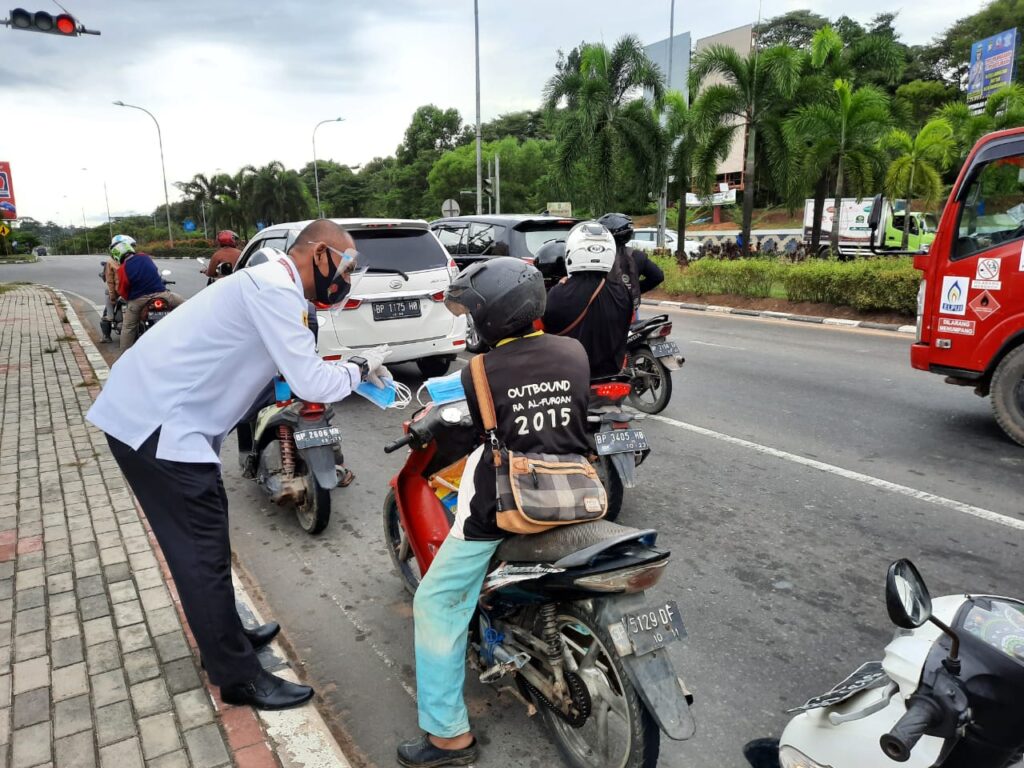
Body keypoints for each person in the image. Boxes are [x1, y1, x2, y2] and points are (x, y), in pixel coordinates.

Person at [87, 219, 393, 710]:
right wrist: (360, 368)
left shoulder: (271, 284)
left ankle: (225, 633)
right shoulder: (274, 290)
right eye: (348, 265)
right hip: (157, 429)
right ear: (318, 255)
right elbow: (312, 381)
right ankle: (236, 675)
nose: (349, 277)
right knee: (200, 553)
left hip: (165, 422)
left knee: (208, 539)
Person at [398, 257, 591, 768]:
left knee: (435, 604)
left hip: (506, 508)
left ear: (492, 316)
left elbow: (465, 430)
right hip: (580, 494)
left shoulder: (479, 372)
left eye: (473, 313)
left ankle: (447, 739)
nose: (468, 322)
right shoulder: (573, 351)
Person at [542, 221, 634, 378]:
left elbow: (545, 329)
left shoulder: (558, 293)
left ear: (572, 251)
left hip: (570, 376)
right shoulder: (623, 292)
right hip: (611, 373)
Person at [112, 235, 183, 351]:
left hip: (139, 301)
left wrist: (129, 297)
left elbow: (123, 291)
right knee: (186, 304)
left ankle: (124, 358)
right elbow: (155, 271)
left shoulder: (122, 269)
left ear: (117, 256)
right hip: (162, 294)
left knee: (128, 327)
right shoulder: (144, 257)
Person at [598, 212, 665, 309]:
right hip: (629, 309)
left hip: (603, 309)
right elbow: (658, 276)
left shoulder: (596, 256)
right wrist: (634, 289)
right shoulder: (637, 256)